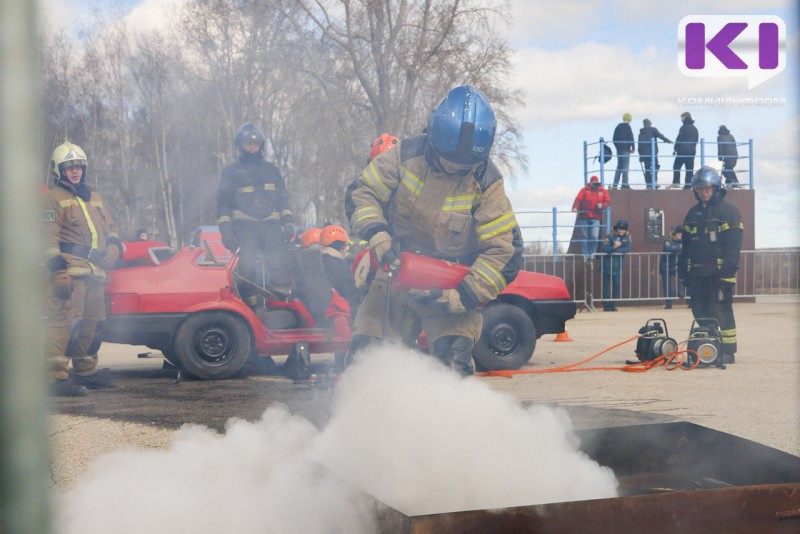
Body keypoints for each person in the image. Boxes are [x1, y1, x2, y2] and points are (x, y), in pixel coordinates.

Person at [346, 84, 523, 376]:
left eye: (463, 166)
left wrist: (463, 296)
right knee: (367, 358)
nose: (454, 169)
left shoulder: (488, 183)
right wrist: (377, 236)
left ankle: (448, 421)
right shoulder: (405, 156)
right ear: (433, 140)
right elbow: (363, 192)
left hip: (451, 284)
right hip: (396, 272)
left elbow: (505, 253)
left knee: (453, 367)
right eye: (447, 162)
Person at [42, 142, 122, 396]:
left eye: (78, 166)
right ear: (59, 170)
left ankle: (86, 371)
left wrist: (114, 248)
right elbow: (47, 239)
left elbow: (112, 228)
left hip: (95, 273)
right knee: (64, 322)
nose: (75, 171)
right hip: (70, 273)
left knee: (93, 324)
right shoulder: (53, 199)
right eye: (69, 167)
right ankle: (55, 378)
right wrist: (58, 273)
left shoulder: (95, 198)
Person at [216, 122, 295, 307]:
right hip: (245, 228)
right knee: (247, 267)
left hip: (270, 227)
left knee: (280, 264)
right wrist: (226, 232)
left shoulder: (271, 170)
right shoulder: (231, 172)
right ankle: (250, 306)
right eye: (248, 144)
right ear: (240, 145)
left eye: (256, 144)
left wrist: (288, 222)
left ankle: (279, 305)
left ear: (261, 146)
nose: (252, 147)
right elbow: (223, 204)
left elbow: (283, 198)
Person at [679, 166, 743, 364]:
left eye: (707, 188)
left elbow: (733, 247)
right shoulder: (692, 213)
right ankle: (710, 346)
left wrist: (727, 274)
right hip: (697, 274)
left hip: (719, 274)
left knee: (720, 310)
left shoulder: (728, 212)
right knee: (700, 309)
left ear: (716, 188)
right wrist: (683, 272)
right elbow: (686, 246)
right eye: (699, 189)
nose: (703, 192)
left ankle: (728, 351)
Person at [319, 225, 363, 316]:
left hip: (329, 310)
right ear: (338, 245)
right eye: (345, 244)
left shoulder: (324, 260)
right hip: (344, 314)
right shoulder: (336, 265)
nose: (347, 248)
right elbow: (350, 294)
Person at [571, 176, 610, 259]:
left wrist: (602, 205)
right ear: (590, 182)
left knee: (594, 236)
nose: (595, 183)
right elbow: (578, 199)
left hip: (595, 217)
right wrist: (575, 207)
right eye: (593, 182)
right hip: (583, 216)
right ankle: (585, 254)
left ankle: (591, 253)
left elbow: (607, 202)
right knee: (584, 235)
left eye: (596, 182)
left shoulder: (603, 191)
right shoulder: (584, 190)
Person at [598, 219, 631, 311]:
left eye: (623, 229)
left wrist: (614, 250)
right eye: (620, 229)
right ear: (617, 229)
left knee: (616, 286)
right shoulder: (610, 237)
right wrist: (614, 247)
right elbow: (604, 249)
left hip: (618, 266)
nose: (621, 231)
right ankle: (606, 306)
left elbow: (626, 249)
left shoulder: (626, 238)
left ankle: (612, 304)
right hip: (607, 266)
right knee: (605, 287)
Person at [637, 119, 672, 189]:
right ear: (650, 123)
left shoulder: (641, 133)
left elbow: (639, 146)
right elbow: (660, 136)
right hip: (652, 152)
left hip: (644, 154)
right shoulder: (653, 130)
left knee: (647, 168)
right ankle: (654, 182)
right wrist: (668, 141)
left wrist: (640, 156)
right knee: (655, 166)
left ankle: (649, 185)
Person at [672, 112, 699, 188]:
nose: (681, 120)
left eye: (681, 118)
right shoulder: (695, 129)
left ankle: (676, 183)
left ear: (684, 117)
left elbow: (679, 139)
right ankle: (688, 185)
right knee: (689, 169)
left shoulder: (683, 128)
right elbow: (696, 140)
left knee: (676, 166)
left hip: (682, 151)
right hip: (691, 152)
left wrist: (675, 149)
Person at [659, 226, 683, 309]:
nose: (681, 236)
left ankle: (678, 292)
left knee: (682, 277)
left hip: (676, 265)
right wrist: (679, 248)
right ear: (675, 234)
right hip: (666, 266)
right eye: (680, 234)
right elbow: (667, 248)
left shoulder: (684, 242)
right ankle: (668, 304)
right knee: (667, 286)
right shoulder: (668, 241)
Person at [612, 113, 634, 189]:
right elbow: (631, 138)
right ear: (629, 119)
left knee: (619, 167)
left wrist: (617, 147)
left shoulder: (618, 127)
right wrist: (633, 148)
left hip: (619, 150)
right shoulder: (628, 127)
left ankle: (615, 185)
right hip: (626, 150)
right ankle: (624, 185)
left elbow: (614, 139)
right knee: (625, 167)